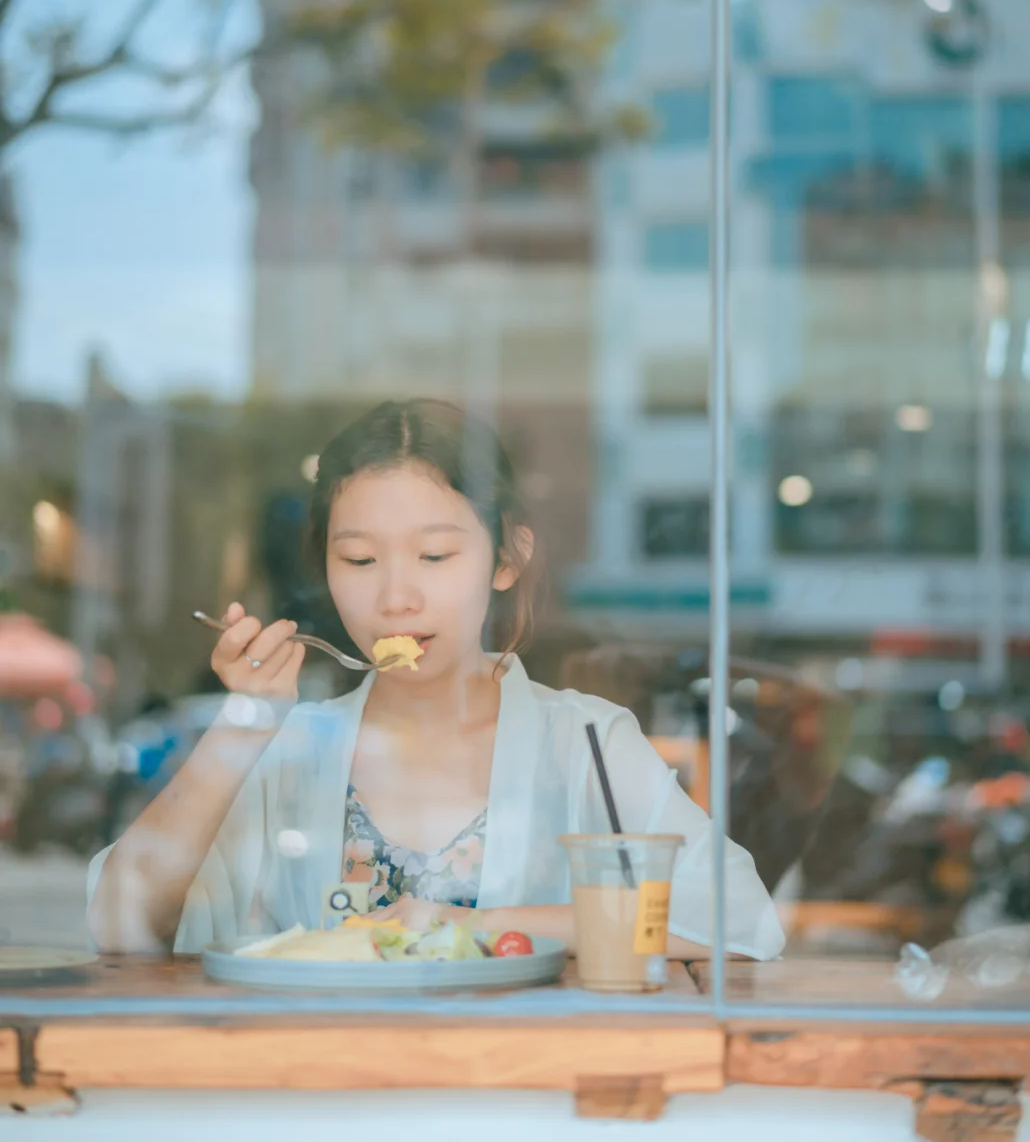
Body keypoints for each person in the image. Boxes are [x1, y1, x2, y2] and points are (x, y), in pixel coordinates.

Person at [88, 399, 784, 959]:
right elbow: (123, 924)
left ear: (507, 559)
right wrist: (246, 720)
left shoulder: (583, 741)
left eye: (434, 554)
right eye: (359, 561)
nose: (396, 597)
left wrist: (472, 925)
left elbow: (739, 917)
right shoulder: (285, 749)